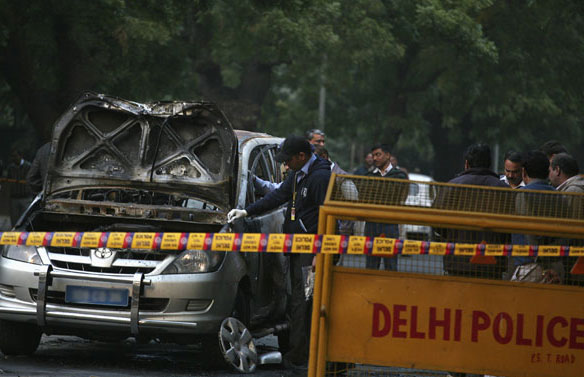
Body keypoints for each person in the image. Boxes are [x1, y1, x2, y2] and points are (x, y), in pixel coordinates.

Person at [227, 135, 331, 369]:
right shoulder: (297, 175)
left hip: (311, 252)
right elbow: (278, 195)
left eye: (288, 160)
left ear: (301, 157)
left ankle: (302, 358)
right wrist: (246, 211)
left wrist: (320, 252)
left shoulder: (320, 178)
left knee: (304, 303)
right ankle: (299, 354)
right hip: (296, 247)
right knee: (297, 301)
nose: (285, 166)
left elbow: (329, 217)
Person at [440, 143, 509, 279]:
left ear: (467, 164)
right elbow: (510, 230)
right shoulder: (504, 189)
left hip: (457, 263)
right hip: (492, 264)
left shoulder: (451, 186)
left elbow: (437, 224)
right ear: (489, 164)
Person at [511, 150, 563, 283]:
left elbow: (528, 230)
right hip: (556, 266)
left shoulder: (522, 194)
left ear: (523, 172)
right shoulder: (559, 195)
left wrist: (540, 261)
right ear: (547, 172)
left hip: (530, 266)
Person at [364, 144, 407, 271]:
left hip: (390, 223)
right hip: (371, 223)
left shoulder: (399, 175)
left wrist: (376, 191)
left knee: (391, 264)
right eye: (373, 155)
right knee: (371, 265)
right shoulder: (369, 175)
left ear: (387, 155)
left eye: (378, 154)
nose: (375, 158)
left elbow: (394, 194)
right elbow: (365, 195)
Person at [6, 146, 32, 226]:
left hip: (26, 197)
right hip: (14, 197)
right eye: (12, 156)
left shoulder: (28, 166)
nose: (14, 158)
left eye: (15, 156)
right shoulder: (10, 167)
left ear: (21, 156)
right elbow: (8, 180)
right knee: (14, 220)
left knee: (26, 219)